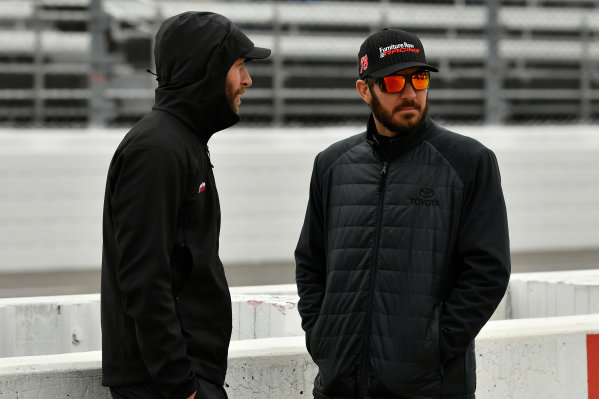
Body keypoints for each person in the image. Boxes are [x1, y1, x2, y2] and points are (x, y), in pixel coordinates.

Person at [295, 28, 510, 399]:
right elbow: (310, 262)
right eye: (394, 82)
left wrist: (432, 348)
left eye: (419, 79)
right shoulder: (331, 165)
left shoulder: (469, 162)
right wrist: (322, 337)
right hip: (339, 387)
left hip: (430, 388)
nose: (410, 93)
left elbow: (488, 271)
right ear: (365, 90)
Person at [101, 12, 270, 399]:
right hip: (166, 384)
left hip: (178, 377)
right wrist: (182, 385)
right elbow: (145, 278)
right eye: (239, 66)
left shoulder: (180, 141)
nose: (248, 80)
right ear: (208, 70)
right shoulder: (157, 149)